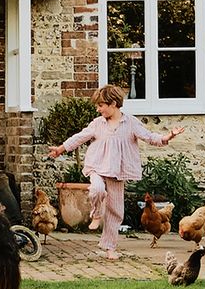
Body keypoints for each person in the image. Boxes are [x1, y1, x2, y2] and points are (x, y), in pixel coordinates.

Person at [48, 85, 183, 260]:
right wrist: (61, 149)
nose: (98, 109)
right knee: (96, 189)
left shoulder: (131, 123)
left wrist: (167, 137)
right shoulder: (97, 123)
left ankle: (109, 247)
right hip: (97, 166)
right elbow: (80, 137)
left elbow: (149, 137)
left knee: (116, 211)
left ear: (113, 103)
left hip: (117, 171)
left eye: (101, 105)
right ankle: (96, 214)